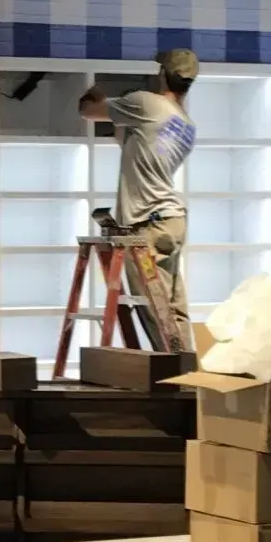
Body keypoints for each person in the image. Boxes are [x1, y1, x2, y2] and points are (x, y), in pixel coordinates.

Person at [77, 47, 200, 352]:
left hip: (148, 226)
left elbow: (88, 112)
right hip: (172, 221)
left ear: (162, 74)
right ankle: (190, 374)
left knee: (154, 310)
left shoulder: (146, 103)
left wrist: (94, 92)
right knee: (173, 308)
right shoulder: (185, 123)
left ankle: (176, 380)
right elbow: (135, 144)